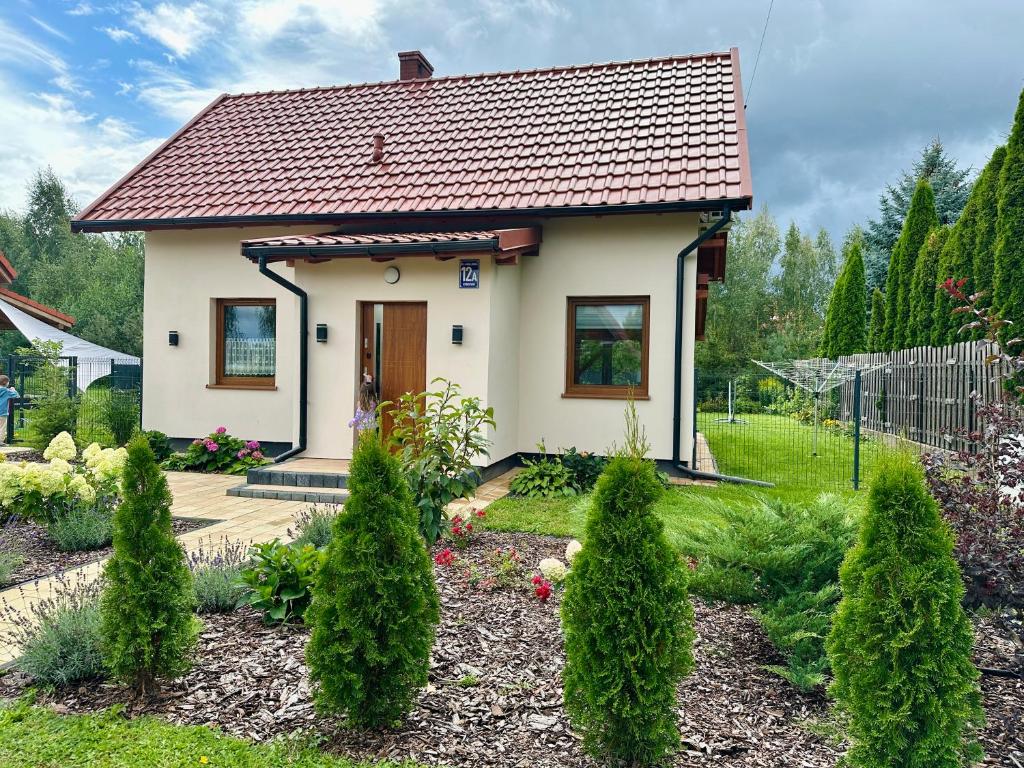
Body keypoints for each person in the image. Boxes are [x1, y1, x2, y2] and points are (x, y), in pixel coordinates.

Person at [0, 375, 18, 445]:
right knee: (2, 427)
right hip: (2, 412)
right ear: (6, 383)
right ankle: (0, 442)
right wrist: (13, 389)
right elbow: (16, 395)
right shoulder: (7, 391)